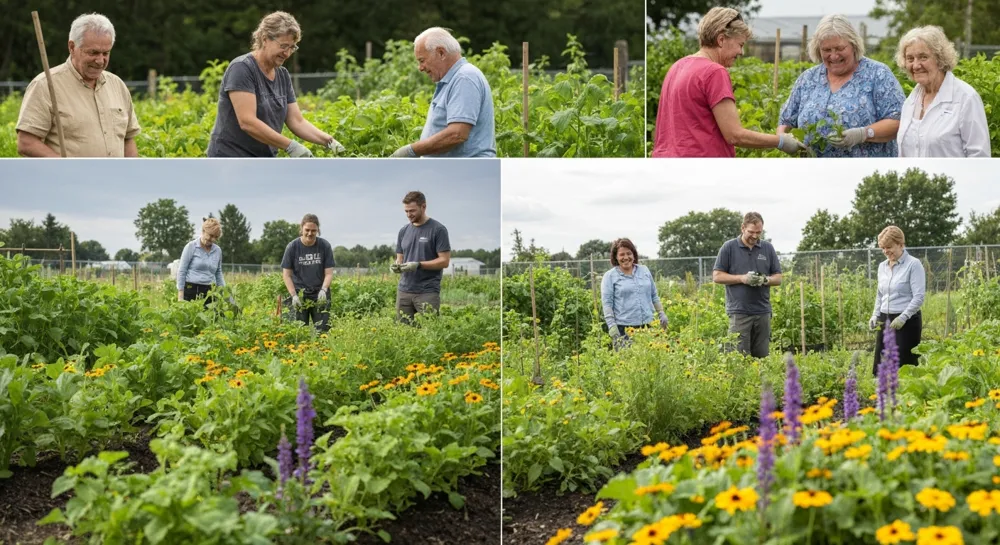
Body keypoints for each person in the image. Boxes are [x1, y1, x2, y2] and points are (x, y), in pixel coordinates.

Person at [651, 7, 806, 158]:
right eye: (740, 45)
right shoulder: (714, 72)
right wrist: (780, 141)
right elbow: (734, 135)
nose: (741, 52)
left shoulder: (677, 66)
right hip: (702, 166)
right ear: (721, 40)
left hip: (667, 163)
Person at [207, 11, 344, 158]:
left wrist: (329, 142)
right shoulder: (242, 68)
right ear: (265, 39)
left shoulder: (282, 75)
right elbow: (247, 122)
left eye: (292, 47)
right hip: (230, 159)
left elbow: (296, 121)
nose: (287, 53)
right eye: (283, 46)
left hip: (264, 159)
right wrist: (290, 146)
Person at [778, 14, 905, 158]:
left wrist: (863, 134)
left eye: (839, 48)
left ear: (853, 45)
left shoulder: (877, 74)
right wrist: (784, 139)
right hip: (813, 168)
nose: (834, 56)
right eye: (826, 50)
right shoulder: (808, 78)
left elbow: (898, 120)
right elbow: (786, 120)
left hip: (866, 168)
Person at [16, 13, 140, 157]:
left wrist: (132, 169)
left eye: (106, 53)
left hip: (114, 173)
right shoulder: (45, 85)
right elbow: (27, 142)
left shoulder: (117, 85)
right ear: (72, 47)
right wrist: (66, 167)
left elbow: (128, 139)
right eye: (93, 53)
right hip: (66, 173)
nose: (100, 61)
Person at [390, 27, 496, 158]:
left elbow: (457, 134)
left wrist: (411, 151)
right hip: (454, 169)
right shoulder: (453, 79)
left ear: (441, 53)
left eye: (422, 60)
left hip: (467, 169)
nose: (420, 68)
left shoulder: (464, 78)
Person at [895, 26, 990, 157]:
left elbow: (979, 157)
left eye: (923, 57)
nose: (916, 65)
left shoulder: (966, 98)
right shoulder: (910, 101)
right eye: (910, 59)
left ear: (940, 58)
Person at [712, 212, 783, 357]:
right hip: (739, 311)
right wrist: (742, 279)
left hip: (762, 311)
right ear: (743, 228)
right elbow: (717, 276)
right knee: (738, 356)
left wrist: (765, 280)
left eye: (759, 232)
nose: (755, 236)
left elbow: (778, 278)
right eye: (751, 232)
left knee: (762, 356)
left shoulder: (767, 248)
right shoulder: (729, 247)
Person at [869, 226, 926, 375]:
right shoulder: (882, 266)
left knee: (904, 366)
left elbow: (919, 296)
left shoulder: (913, 264)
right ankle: (881, 389)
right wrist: (875, 315)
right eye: (882, 248)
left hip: (906, 321)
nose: (885, 251)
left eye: (889, 247)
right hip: (885, 319)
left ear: (900, 244)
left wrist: (903, 317)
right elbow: (880, 294)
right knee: (881, 363)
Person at [390, 191, 451, 322]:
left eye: (412, 210)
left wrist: (418, 265)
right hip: (404, 290)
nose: (408, 214)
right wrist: (397, 265)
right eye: (406, 211)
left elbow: (444, 261)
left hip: (427, 291)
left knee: (430, 328)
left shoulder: (438, 230)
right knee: (403, 329)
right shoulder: (403, 231)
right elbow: (400, 258)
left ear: (423, 207)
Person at [600, 238, 668, 349]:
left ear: (634, 254)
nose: (626, 257)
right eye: (622, 254)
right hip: (624, 329)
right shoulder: (610, 276)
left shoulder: (644, 271)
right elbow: (607, 304)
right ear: (616, 257)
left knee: (648, 358)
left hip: (648, 326)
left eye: (629, 253)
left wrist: (661, 313)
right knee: (627, 359)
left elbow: (654, 295)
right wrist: (611, 325)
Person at [281, 214, 335, 332]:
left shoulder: (324, 246)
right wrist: (293, 295)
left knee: (323, 331)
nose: (310, 233)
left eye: (313, 230)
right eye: (307, 230)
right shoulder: (292, 247)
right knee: (298, 331)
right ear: (301, 229)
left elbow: (329, 273)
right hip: (299, 294)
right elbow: (286, 275)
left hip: (319, 294)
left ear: (318, 230)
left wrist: (324, 290)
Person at [176, 218, 226, 306]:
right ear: (203, 231)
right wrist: (180, 295)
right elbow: (182, 270)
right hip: (191, 289)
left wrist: (224, 292)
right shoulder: (191, 247)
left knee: (212, 314)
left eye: (215, 237)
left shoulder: (217, 250)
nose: (212, 239)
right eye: (210, 235)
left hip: (210, 291)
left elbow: (218, 273)